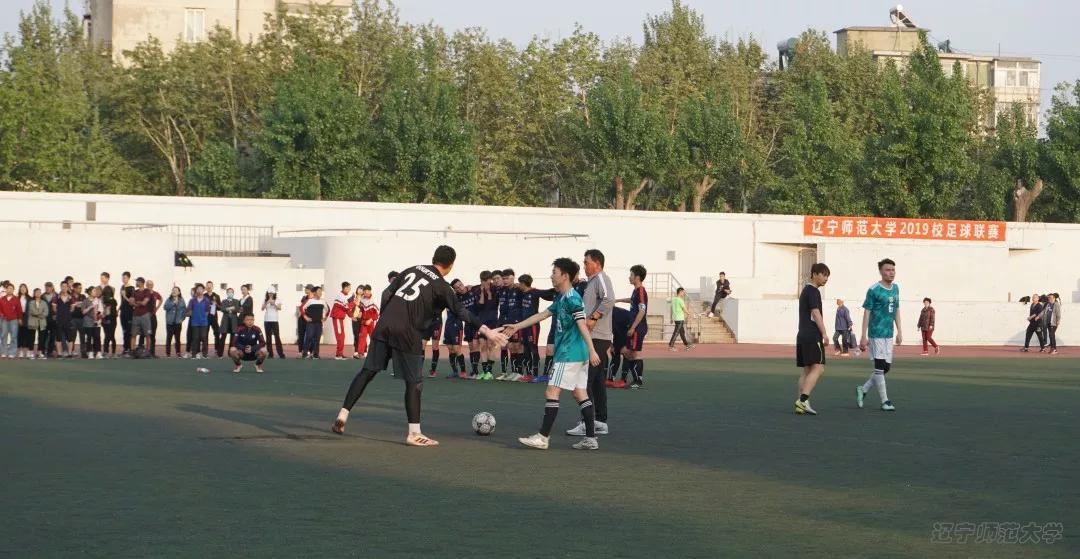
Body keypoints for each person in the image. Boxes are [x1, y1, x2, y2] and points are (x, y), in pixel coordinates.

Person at [332, 245, 509, 446]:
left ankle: (342, 416)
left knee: (367, 371)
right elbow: (461, 311)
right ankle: (414, 433)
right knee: (414, 382)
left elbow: (386, 293)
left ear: (433, 258)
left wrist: (388, 315)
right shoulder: (442, 286)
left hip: (384, 326)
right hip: (407, 333)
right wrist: (487, 331)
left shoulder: (412, 269)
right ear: (451, 265)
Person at [508, 258, 603, 451]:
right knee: (580, 393)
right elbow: (542, 315)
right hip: (578, 355)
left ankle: (543, 437)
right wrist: (517, 326)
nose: (552, 276)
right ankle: (591, 438)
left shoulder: (572, 298)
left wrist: (593, 349)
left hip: (569, 354)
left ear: (565, 276)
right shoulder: (561, 297)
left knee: (551, 392)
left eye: (554, 273)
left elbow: (582, 325)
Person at [566, 249, 615, 437]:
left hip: (596, 337)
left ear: (597, 263)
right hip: (596, 337)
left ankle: (587, 424)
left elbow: (609, 299)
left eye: (586, 262)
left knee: (585, 380)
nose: (584, 265)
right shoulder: (592, 282)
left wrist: (594, 317)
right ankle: (600, 422)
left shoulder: (600, 277)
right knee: (597, 382)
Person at [857, 258, 901, 412]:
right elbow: (866, 313)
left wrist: (900, 331)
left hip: (889, 334)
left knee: (885, 368)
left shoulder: (896, 288)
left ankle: (863, 389)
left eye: (893, 270)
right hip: (876, 333)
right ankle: (885, 401)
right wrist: (863, 335)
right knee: (880, 367)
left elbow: (896, 309)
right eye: (888, 270)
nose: (891, 273)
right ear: (881, 272)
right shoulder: (873, 290)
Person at [795, 263, 831, 415]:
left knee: (807, 370)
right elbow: (816, 313)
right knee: (819, 368)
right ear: (814, 274)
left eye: (828, 276)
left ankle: (801, 404)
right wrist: (824, 333)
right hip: (812, 335)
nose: (826, 278)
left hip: (802, 335)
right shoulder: (813, 291)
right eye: (824, 275)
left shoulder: (805, 290)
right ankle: (803, 400)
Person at [615, 265, 649, 389]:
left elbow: (642, 311)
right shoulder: (636, 291)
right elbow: (632, 300)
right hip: (636, 327)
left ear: (637, 277)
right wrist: (618, 300)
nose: (629, 277)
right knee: (629, 353)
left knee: (632, 354)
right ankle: (635, 380)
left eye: (631, 275)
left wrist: (633, 327)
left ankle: (638, 381)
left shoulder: (641, 291)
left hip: (638, 328)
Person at [442, 279, 469, 379]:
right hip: (448, 325)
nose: (460, 288)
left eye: (460, 286)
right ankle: (455, 371)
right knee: (450, 349)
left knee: (457, 349)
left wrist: (469, 287)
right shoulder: (445, 298)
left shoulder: (459, 297)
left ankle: (463, 371)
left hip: (457, 325)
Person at [128, 278, 154, 357]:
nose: (136, 283)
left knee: (147, 334)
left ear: (141, 283)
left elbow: (144, 303)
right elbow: (130, 302)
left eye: (137, 281)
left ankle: (148, 351)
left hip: (144, 315)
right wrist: (138, 302)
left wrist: (136, 302)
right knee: (133, 334)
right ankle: (132, 350)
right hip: (135, 315)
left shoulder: (147, 291)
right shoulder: (134, 292)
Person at [186, 284, 212, 359]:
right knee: (195, 338)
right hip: (194, 322)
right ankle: (194, 354)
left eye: (201, 289)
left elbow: (207, 311)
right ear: (196, 290)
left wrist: (202, 317)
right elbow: (189, 310)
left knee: (204, 338)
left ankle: (205, 354)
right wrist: (191, 314)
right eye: (198, 289)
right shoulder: (192, 300)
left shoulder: (206, 300)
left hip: (204, 322)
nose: (199, 290)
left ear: (203, 290)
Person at [302, 286, 327, 359]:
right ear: (315, 293)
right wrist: (305, 317)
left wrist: (325, 317)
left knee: (317, 339)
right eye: (319, 291)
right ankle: (305, 354)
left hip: (319, 323)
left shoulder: (323, 301)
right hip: (311, 323)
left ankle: (316, 355)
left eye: (321, 291)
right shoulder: (310, 301)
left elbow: (327, 310)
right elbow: (302, 308)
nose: (320, 293)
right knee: (309, 337)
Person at [52, 282, 74, 357]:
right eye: (62, 286)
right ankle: (59, 353)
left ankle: (70, 353)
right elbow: (54, 308)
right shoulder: (56, 297)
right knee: (58, 337)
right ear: (60, 287)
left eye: (65, 286)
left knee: (70, 337)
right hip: (59, 320)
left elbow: (72, 308)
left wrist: (67, 314)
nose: (64, 288)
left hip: (68, 320)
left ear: (67, 287)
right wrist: (59, 314)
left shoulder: (70, 297)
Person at [262, 287, 285, 359]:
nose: (270, 294)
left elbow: (279, 308)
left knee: (277, 337)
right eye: (269, 293)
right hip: (267, 320)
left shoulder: (277, 299)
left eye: (272, 293)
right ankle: (270, 354)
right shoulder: (265, 299)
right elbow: (262, 308)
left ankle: (281, 354)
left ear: (274, 293)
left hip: (274, 320)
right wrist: (267, 302)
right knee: (268, 337)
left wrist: (274, 303)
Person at [331, 281, 352, 359]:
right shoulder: (340, 296)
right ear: (345, 288)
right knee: (340, 336)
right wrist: (354, 302)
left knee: (342, 336)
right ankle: (339, 355)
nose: (349, 289)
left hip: (340, 318)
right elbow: (346, 307)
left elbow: (346, 308)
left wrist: (352, 316)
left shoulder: (344, 296)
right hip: (337, 318)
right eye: (349, 288)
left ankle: (339, 353)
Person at [668, 287, 693, 351]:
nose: (684, 294)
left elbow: (671, 309)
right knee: (676, 333)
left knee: (682, 332)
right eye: (683, 292)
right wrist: (689, 314)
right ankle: (671, 346)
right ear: (680, 292)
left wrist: (671, 318)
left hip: (676, 318)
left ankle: (687, 344)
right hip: (680, 319)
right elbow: (684, 309)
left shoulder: (673, 299)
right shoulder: (680, 300)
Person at [163, 286, 186, 357]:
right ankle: (168, 353)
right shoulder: (169, 299)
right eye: (173, 290)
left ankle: (178, 352)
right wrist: (173, 303)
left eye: (176, 290)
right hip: (170, 323)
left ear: (179, 292)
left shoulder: (181, 300)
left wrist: (182, 319)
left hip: (178, 323)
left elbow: (184, 311)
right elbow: (165, 307)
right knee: (169, 338)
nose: (174, 291)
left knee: (177, 339)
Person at [357, 285, 379, 358]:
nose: (365, 294)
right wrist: (360, 313)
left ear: (370, 291)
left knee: (373, 337)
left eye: (367, 292)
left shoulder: (374, 300)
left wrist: (371, 319)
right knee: (362, 337)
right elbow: (361, 309)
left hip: (372, 322)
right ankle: (360, 353)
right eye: (364, 293)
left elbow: (378, 312)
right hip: (364, 321)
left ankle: (375, 353)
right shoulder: (362, 299)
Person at [0, 282, 21, 358]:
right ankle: (3, 352)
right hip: (4, 320)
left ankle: (12, 352)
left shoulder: (16, 299)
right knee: (3, 336)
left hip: (14, 320)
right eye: (8, 288)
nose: (10, 290)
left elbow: (19, 310)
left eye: (11, 288)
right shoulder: (2, 299)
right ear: (6, 290)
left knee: (13, 336)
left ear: (13, 290)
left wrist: (20, 318)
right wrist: (1, 314)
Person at [27, 288, 49, 359]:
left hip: (42, 322)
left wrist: (40, 315)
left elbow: (46, 312)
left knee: (41, 338)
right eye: (36, 292)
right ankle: (31, 352)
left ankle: (40, 352)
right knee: (31, 337)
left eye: (39, 292)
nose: (38, 293)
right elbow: (32, 311)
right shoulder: (31, 302)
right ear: (34, 293)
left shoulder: (44, 302)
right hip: (32, 322)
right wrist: (40, 314)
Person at [218, 288, 241, 355]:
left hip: (234, 322)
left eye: (231, 292)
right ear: (227, 293)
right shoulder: (224, 301)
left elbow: (237, 309)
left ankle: (230, 353)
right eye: (229, 292)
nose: (230, 293)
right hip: (225, 321)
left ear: (233, 293)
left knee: (233, 338)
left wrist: (228, 309)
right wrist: (231, 308)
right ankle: (220, 354)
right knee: (223, 337)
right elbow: (222, 309)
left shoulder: (236, 301)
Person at [204, 281, 223, 357]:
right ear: (206, 287)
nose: (209, 287)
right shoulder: (203, 296)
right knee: (205, 335)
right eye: (207, 285)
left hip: (214, 318)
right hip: (205, 318)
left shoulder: (216, 296)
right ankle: (205, 351)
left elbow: (220, 308)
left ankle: (217, 350)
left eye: (210, 285)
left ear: (212, 287)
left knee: (217, 333)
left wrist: (216, 304)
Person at [145, 279, 163, 357]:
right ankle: (145, 352)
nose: (150, 286)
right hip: (145, 316)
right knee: (145, 335)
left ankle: (152, 352)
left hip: (152, 316)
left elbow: (161, 299)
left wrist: (157, 308)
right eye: (148, 284)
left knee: (153, 335)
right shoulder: (144, 293)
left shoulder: (155, 293)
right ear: (146, 285)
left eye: (151, 284)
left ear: (153, 285)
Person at [296, 284, 312, 357]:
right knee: (301, 335)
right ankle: (300, 351)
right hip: (302, 318)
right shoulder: (304, 298)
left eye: (306, 289)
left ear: (310, 290)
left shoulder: (314, 299)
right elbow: (302, 307)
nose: (305, 290)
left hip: (310, 318)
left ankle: (310, 351)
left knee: (310, 335)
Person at [101, 287, 118, 357]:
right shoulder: (112, 300)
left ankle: (107, 352)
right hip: (109, 319)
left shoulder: (111, 300)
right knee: (111, 336)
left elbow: (112, 311)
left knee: (108, 336)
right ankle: (111, 352)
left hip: (109, 319)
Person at [119, 271, 133, 355]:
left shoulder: (131, 288)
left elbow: (131, 302)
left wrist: (124, 296)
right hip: (123, 312)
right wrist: (118, 309)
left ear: (128, 278)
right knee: (124, 330)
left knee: (129, 330)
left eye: (125, 278)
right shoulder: (122, 287)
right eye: (122, 277)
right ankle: (125, 348)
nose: (123, 279)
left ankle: (129, 348)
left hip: (129, 312)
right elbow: (122, 301)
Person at [16, 283, 32, 359]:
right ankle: (21, 351)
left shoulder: (30, 298)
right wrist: (19, 318)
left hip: (28, 316)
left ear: (26, 289)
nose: (23, 289)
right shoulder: (17, 298)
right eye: (21, 288)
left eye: (24, 288)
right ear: (19, 289)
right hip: (19, 316)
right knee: (20, 334)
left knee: (27, 334)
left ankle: (27, 351)